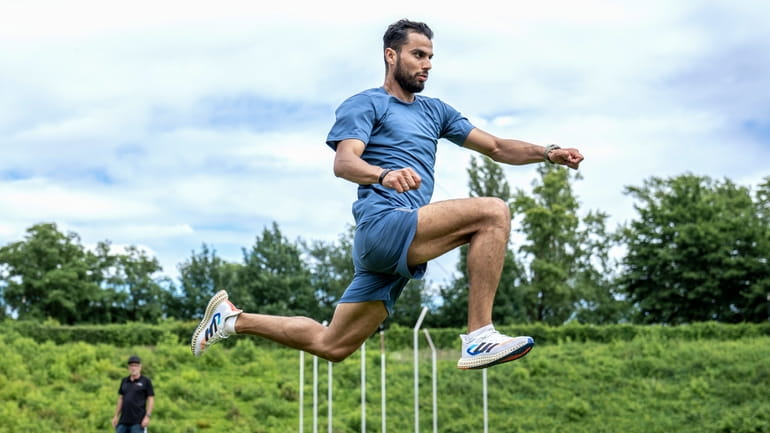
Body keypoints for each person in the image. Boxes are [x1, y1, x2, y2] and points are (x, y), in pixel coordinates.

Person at [191, 18, 583, 370]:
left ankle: (231, 319)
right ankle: (479, 336)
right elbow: (345, 162)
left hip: (393, 243)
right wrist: (384, 175)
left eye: (431, 56)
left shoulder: (436, 112)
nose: (427, 64)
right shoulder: (366, 104)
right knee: (493, 212)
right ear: (391, 55)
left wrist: (547, 153)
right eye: (418, 54)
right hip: (383, 223)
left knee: (333, 344)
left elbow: (496, 147)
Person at [112, 355, 154, 433]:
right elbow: (121, 398)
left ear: (140, 367)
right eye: (131, 365)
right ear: (128, 367)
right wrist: (116, 416)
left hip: (138, 422)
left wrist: (147, 416)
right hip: (123, 421)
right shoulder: (124, 381)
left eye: (136, 365)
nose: (133, 368)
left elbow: (151, 399)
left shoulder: (146, 381)